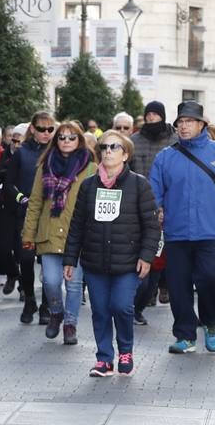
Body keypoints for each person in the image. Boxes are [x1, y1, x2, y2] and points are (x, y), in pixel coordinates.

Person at [149, 101, 215, 354]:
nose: (183, 127)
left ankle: (211, 322)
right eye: (180, 122)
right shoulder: (165, 157)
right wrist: (157, 209)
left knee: (212, 279)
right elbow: (153, 193)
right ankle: (185, 335)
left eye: (189, 122)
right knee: (178, 285)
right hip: (177, 233)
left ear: (202, 124)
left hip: (213, 231)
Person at [64, 131, 160, 377]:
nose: (107, 151)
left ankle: (125, 351)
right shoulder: (88, 186)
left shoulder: (139, 184)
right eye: (104, 147)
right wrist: (70, 259)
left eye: (114, 147)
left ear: (125, 154)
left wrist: (147, 257)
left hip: (128, 262)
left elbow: (152, 226)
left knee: (121, 306)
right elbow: (77, 224)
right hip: (95, 261)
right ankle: (104, 359)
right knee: (100, 310)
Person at [22, 120, 95, 343]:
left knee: (74, 285)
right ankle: (56, 312)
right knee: (51, 281)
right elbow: (35, 202)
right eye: (61, 137)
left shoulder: (90, 168)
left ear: (80, 140)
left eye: (71, 137)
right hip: (49, 233)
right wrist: (28, 234)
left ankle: (70, 324)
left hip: (77, 236)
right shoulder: (46, 165)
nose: (66, 141)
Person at [6, 111, 57, 324]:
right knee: (26, 260)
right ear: (33, 129)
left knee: (47, 263)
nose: (46, 133)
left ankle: (46, 306)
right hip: (26, 215)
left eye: (50, 129)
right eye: (42, 129)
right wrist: (21, 198)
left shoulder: (57, 153)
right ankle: (29, 299)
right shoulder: (21, 153)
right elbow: (9, 183)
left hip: (51, 216)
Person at [129, 102, 175, 325]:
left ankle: (144, 300)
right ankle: (133, 303)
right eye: (148, 115)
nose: (152, 119)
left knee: (157, 262)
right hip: (137, 207)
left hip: (167, 209)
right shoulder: (134, 141)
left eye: (156, 115)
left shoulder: (174, 141)